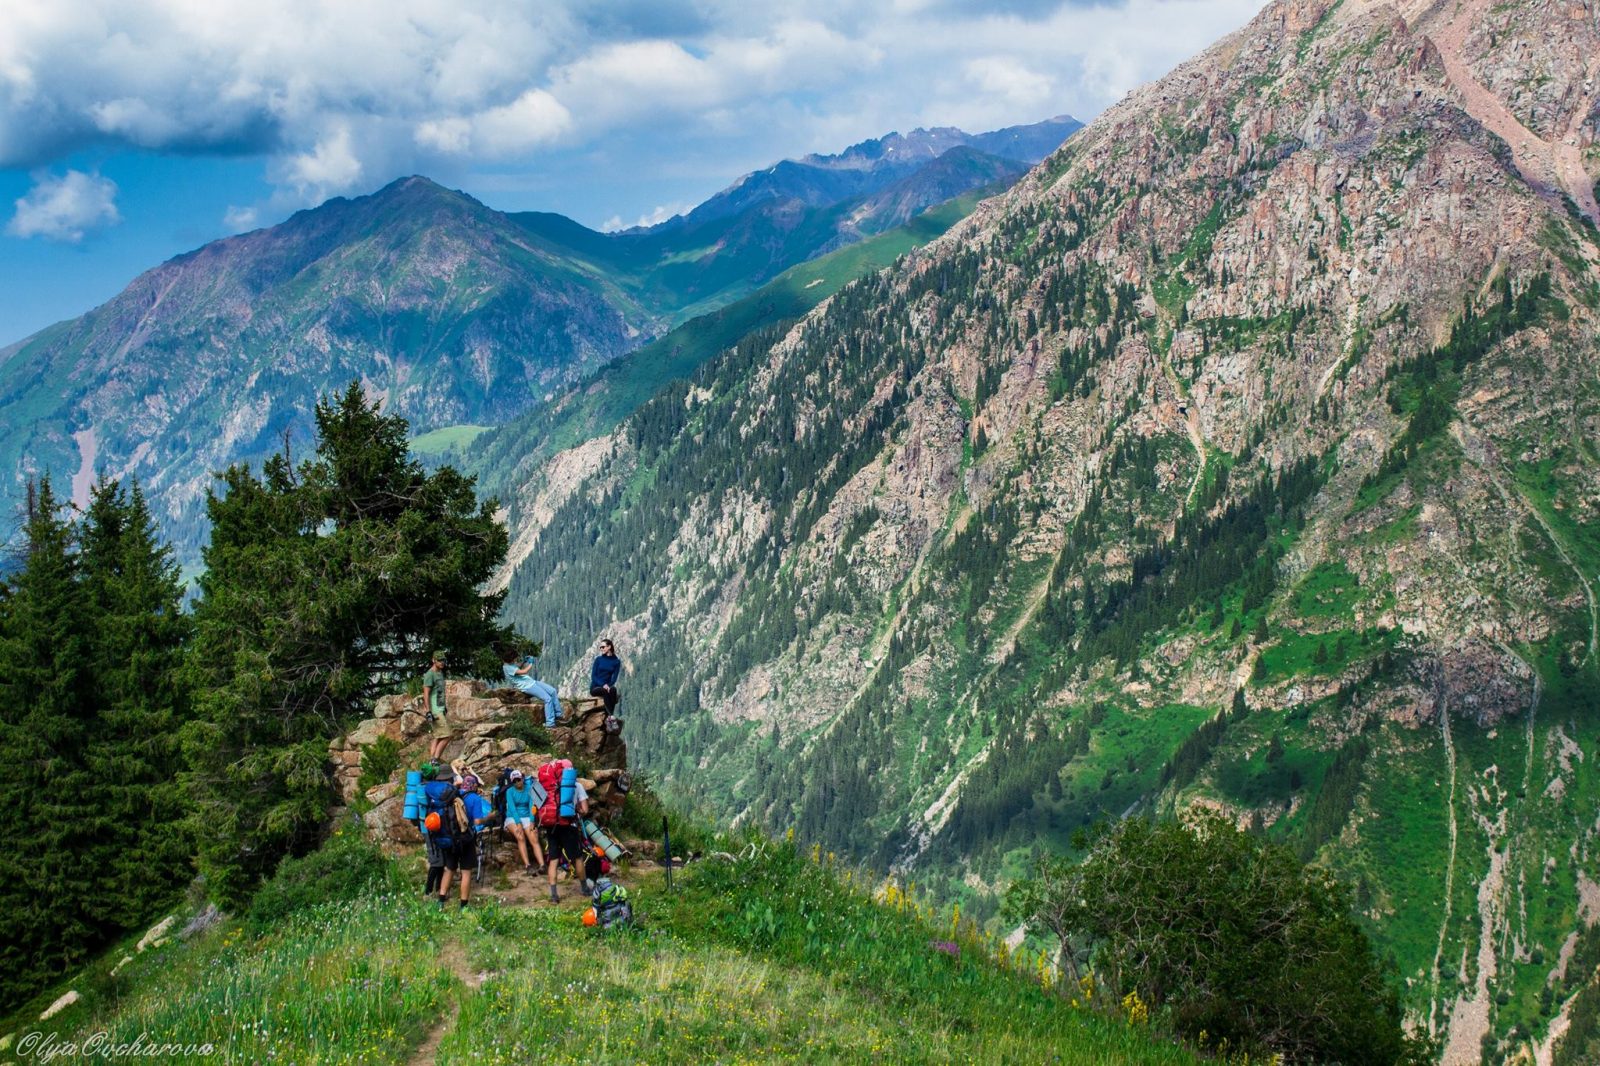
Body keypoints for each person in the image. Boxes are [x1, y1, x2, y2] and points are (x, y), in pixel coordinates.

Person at [423, 765, 474, 910]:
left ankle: (441, 901)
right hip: (462, 838)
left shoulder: (432, 792)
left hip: (445, 838)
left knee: (449, 869)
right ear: (450, 777)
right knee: (466, 872)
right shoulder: (453, 792)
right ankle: (463, 906)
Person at [542, 766, 590, 905]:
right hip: (569, 826)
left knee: (554, 860)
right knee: (577, 858)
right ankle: (585, 889)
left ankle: (554, 895)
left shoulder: (549, 786)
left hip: (551, 827)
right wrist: (577, 812)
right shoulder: (576, 785)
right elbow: (585, 810)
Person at [499, 647, 562, 728]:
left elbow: (517, 669)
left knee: (553, 691)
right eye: (514, 658)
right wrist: (531, 663)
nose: (515, 660)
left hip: (532, 682)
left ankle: (558, 715)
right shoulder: (507, 668)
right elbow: (523, 672)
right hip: (527, 686)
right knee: (547, 699)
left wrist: (524, 662)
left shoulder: (510, 664)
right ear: (510, 658)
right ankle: (550, 723)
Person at [502, 768, 546, 876]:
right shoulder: (510, 791)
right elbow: (512, 808)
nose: (518, 782)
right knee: (520, 836)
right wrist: (518, 823)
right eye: (515, 781)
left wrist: (532, 821)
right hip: (512, 817)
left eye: (519, 779)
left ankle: (542, 865)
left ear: (522, 778)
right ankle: (528, 865)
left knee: (533, 837)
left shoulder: (529, 789)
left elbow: (532, 806)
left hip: (527, 816)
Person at [422, 652, 453, 761]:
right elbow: (426, 694)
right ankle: (435, 760)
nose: (442, 662)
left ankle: (431, 762)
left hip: (441, 709)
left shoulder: (440, 673)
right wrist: (428, 711)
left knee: (438, 736)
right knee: (447, 735)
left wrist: (444, 707)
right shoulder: (429, 674)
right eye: (439, 660)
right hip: (435, 711)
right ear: (433, 660)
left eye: (443, 660)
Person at [590, 639, 622, 715]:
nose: (601, 649)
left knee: (613, 690)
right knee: (605, 691)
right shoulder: (598, 660)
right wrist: (603, 685)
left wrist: (608, 685)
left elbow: (614, 679)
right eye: (600, 647)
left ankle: (610, 716)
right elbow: (593, 676)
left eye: (603, 647)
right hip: (595, 687)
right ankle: (611, 717)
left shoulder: (616, 662)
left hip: (607, 686)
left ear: (609, 647)